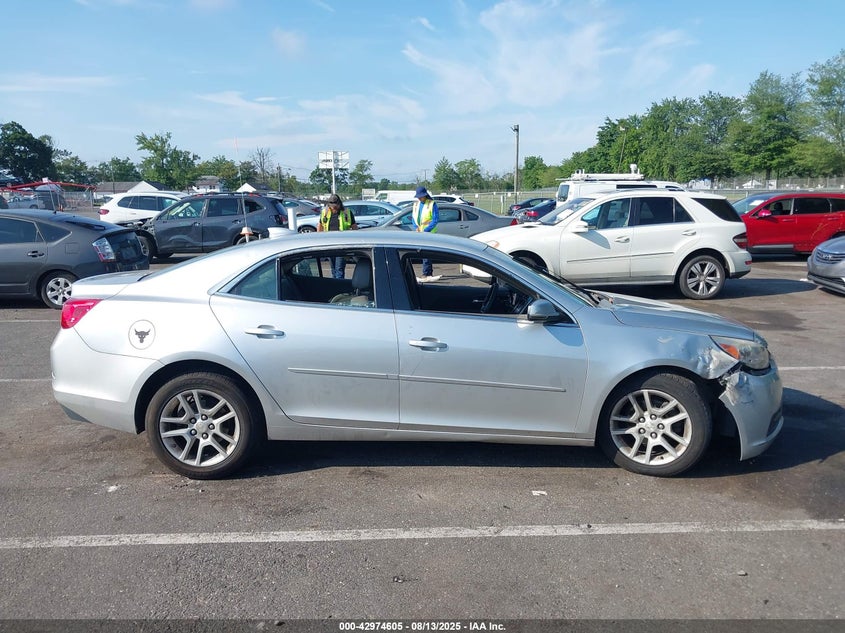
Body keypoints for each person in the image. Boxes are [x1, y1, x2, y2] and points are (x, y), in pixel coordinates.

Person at [317, 193, 357, 279]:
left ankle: (340, 288)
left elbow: (354, 228)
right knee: (333, 269)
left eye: (336, 205)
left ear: (339, 204)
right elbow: (320, 226)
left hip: (342, 246)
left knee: (339, 270)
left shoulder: (347, 212)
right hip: (329, 245)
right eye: (332, 206)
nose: (334, 208)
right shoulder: (325, 213)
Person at [411, 186, 440, 282]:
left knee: (425, 253)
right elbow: (413, 219)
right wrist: (416, 227)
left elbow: (435, 220)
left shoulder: (432, 204)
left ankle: (426, 273)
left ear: (425, 195)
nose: (419, 198)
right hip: (419, 232)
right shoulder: (416, 205)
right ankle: (428, 272)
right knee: (422, 252)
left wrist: (426, 230)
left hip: (429, 233)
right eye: (418, 197)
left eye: (421, 196)